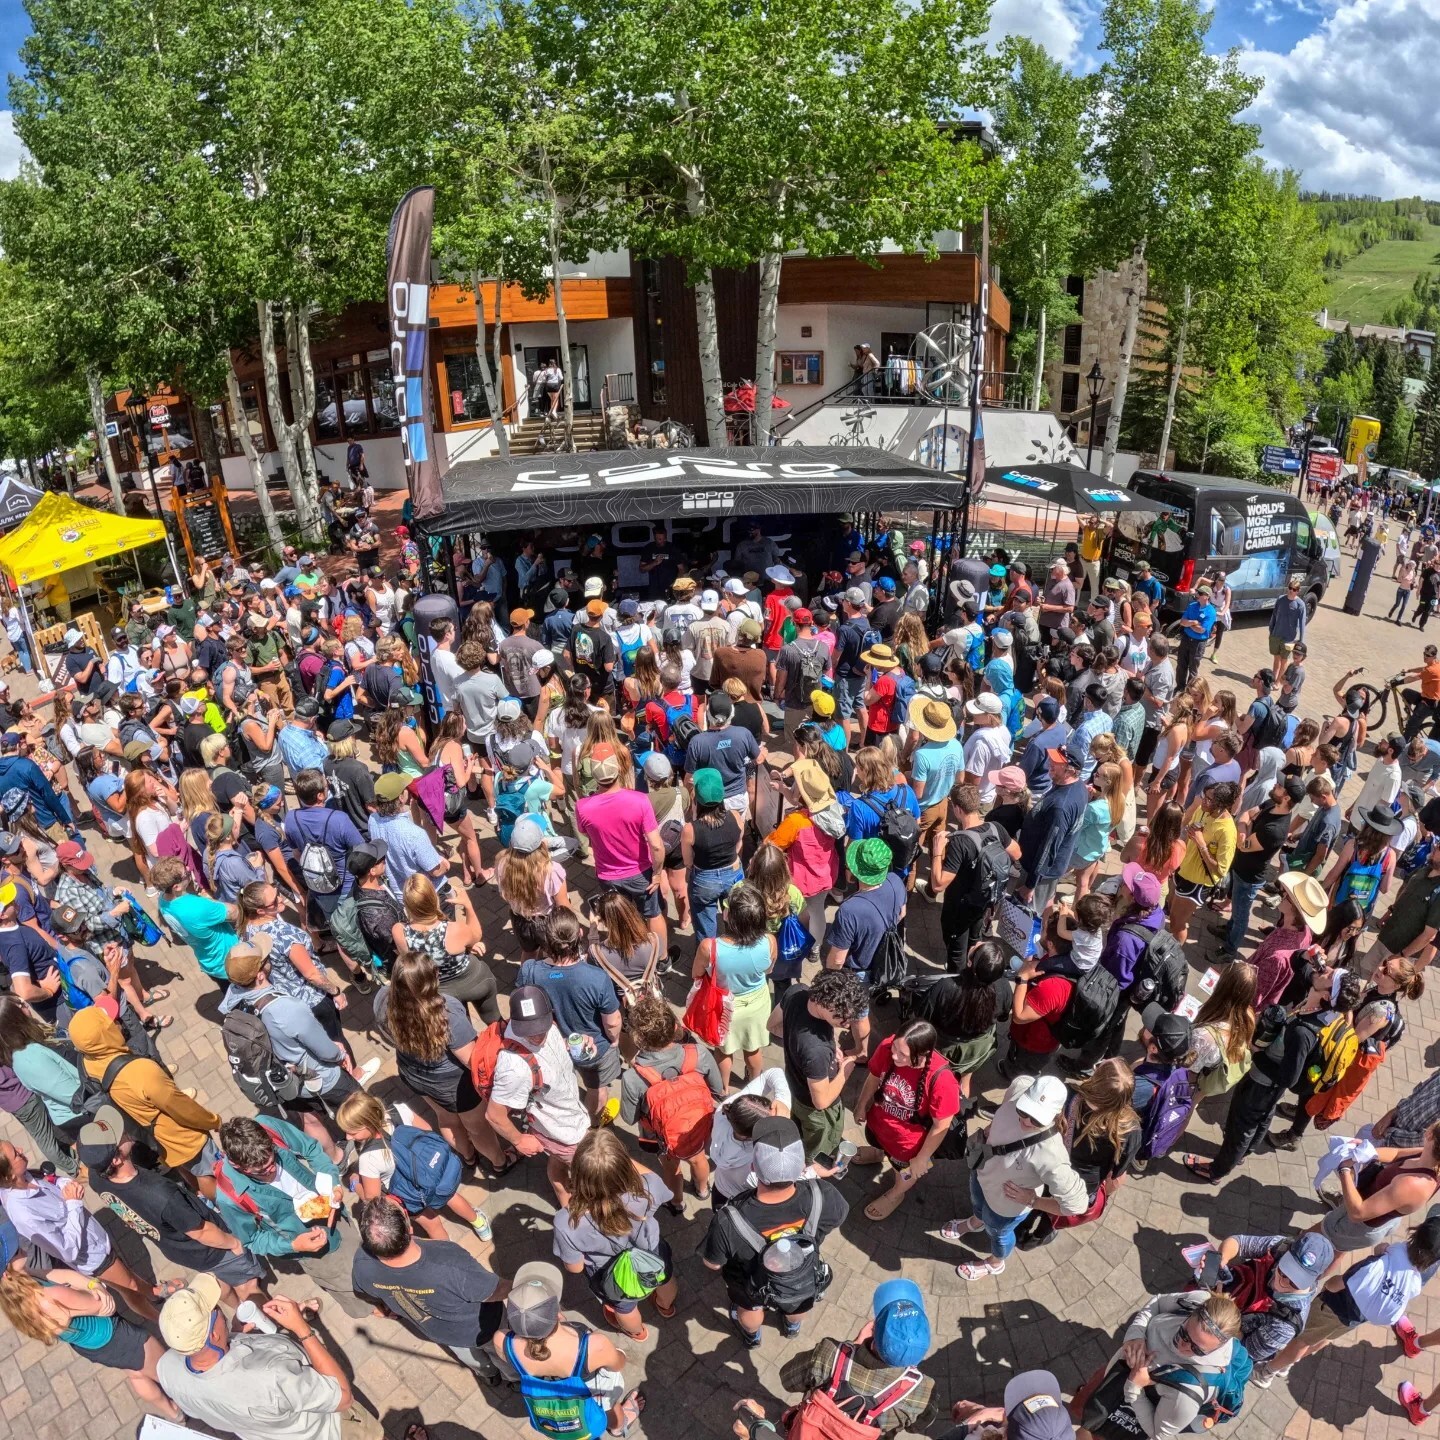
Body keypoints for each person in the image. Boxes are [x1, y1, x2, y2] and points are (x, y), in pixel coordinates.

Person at [75, 1105, 265, 1307]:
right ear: (115, 1159)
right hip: (210, 1248)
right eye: (117, 1135)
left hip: (178, 1250)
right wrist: (232, 1242)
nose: (122, 1129)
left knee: (221, 1284)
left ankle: (239, 1312)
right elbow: (200, 1231)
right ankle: (267, 1321)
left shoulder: (97, 1178)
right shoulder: (160, 1194)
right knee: (248, 1284)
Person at [0, 1213, 181, 1421]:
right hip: (115, 1336)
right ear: (7, 1273)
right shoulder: (49, 1295)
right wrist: (95, 1294)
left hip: (92, 1346)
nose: (22, 1248)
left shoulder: (20, 1296)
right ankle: (187, 1398)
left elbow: (61, 1276)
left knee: (136, 1373)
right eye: (15, 1252)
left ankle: (173, 1412)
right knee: (164, 1369)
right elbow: (103, 1307)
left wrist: (91, 1285)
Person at [157, 1276, 382, 1440]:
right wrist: (302, 1328)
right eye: (214, 1310)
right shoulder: (271, 1378)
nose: (218, 1308)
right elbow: (343, 1397)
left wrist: (232, 1336)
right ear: (213, 1335)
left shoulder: (166, 1368)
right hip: (332, 1429)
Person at [701, 1115, 849, 1348]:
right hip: (799, 1278)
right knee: (799, 1304)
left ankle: (752, 1336)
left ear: (753, 1167)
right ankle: (792, 1327)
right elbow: (838, 1216)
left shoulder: (728, 1220)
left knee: (749, 1309)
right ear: (802, 1166)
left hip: (749, 1282)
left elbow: (713, 1264)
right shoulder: (824, 1195)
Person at [211, 1115, 370, 1317]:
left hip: (334, 1213)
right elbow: (252, 1239)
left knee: (363, 1253)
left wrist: (332, 1183)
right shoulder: (229, 1197)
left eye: (272, 1160)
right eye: (261, 1171)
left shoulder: (269, 1126)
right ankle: (372, 1308)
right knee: (349, 1284)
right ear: (237, 1166)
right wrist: (294, 1246)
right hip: (314, 1251)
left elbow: (311, 1149)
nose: (272, 1170)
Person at [942, 1074, 1087, 1281]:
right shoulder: (1020, 1086)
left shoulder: (1052, 1154)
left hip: (1006, 1206)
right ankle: (976, 1221)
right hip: (982, 1173)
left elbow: (1077, 1205)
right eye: (1024, 1110)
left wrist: (1034, 1201)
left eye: (1037, 1119)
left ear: (1055, 1115)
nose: (1026, 1120)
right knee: (978, 1204)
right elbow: (1007, 1107)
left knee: (998, 1234)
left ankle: (995, 1263)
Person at [0, 1139, 159, 1321]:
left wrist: (66, 1185)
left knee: (130, 1280)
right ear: (8, 1175)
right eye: (15, 1154)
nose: (21, 1149)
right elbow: (67, 1251)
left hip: (95, 1237)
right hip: (92, 1255)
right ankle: (161, 1319)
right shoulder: (25, 1214)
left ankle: (154, 1292)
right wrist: (73, 1203)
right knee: (130, 1287)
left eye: (16, 1147)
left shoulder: (22, 1178)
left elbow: (53, 1184)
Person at [66, 1007, 221, 1186]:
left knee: (185, 1168)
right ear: (104, 1035)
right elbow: (183, 1108)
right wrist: (214, 1121)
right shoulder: (141, 1072)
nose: (117, 1023)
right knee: (212, 1173)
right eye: (111, 1024)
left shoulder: (87, 1061)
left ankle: (202, 1195)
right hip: (182, 1136)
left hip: (153, 1137)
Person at [491, 1259, 643, 1440]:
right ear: (556, 1311)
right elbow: (618, 1364)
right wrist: (619, 1352)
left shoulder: (501, 1340)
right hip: (591, 1389)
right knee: (609, 1402)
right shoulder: (593, 1345)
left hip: (553, 1404)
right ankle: (618, 1426)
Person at [552, 1128, 679, 1342]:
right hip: (652, 1252)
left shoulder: (566, 1222)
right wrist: (611, 1157)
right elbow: (659, 1185)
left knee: (624, 1307)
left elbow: (575, 1268)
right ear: (623, 1165)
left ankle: (637, 1332)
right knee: (664, 1279)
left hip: (609, 1273)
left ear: (579, 1176)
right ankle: (665, 1306)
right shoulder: (648, 1187)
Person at [775, 1278, 937, 1434]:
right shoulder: (923, 1392)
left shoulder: (829, 1354)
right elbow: (915, 1427)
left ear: (873, 1330)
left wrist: (851, 1346)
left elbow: (787, 1379)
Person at [1075, 1292, 1242, 1440]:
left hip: (1128, 1417)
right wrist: (1135, 1335)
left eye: (1197, 1349)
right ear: (1191, 1314)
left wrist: (1135, 1388)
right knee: (1081, 1407)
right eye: (1183, 1333)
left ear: (1217, 1349)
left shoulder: (1189, 1395)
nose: (1183, 1346)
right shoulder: (1199, 1301)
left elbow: (1157, 1433)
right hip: (1114, 1375)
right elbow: (1158, 1302)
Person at [485, 985, 591, 1207]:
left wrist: (575, 1044)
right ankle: (571, 1206)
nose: (536, 1035)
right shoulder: (513, 1067)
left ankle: (564, 1202)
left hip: (569, 1115)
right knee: (589, 1173)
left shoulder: (547, 1027)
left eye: (540, 1026)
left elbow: (549, 1051)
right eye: (528, 1029)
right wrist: (519, 1140)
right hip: (561, 1131)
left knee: (557, 1161)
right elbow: (494, 1115)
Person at [618, 992, 722, 1212]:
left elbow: (629, 1117)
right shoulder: (699, 1054)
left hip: (660, 1135)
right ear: (675, 1027)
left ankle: (676, 1202)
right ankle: (703, 1190)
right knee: (698, 1158)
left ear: (637, 1038)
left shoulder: (633, 1077)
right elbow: (717, 1088)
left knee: (670, 1167)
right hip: (698, 1124)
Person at [851, 1019, 961, 1222]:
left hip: (908, 1145)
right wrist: (861, 1104)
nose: (894, 1055)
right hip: (879, 1125)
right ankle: (879, 1153)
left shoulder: (942, 1080)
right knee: (879, 1144)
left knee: (904, 1173)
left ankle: (895, 1194)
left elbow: (941, 1125)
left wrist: (921, 1158)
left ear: (923, 1054)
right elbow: (874, 1076)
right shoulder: (890, 1046)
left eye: (902, 1055)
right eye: (894, 1048)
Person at [519, 910, 622, 1124]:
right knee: (597, 1088)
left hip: (552, 1046)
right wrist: (614, 1040)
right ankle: (592, 1123)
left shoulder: (530, 971)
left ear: (546, 940)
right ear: (580, 934)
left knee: (564, 1083)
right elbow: (612, 1022)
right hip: (595, 1050)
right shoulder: (596, 977)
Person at [770, 969, 869, 1161]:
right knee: (818, 1146)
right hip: (814, 1109)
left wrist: (799, 1045)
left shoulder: (797, 992)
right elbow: (821, 1102)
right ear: (827, 1004)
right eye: (843, 1017)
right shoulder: (816, 1050)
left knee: (798, 1126)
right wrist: (845, 1071)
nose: (848, 1025)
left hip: (794, 1086)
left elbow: (772, 1025)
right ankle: (810, 1168)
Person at [823, 838, 905, 1059]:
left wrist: (829, 978)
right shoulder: (896, 881)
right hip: (883, 960)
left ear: (857, 872)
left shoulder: (850, 910)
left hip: (860, 971)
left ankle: (862, 1053)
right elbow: (902, 914)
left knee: (860, 1013)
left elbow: (837, 960)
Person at [694, 881, 776, 1088]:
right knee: (754, 1049)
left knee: (723, 1051)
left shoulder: (709, 947)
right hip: (757, 1004)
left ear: (727, 916)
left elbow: (696, 974)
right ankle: (755, 1083)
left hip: (724, 1008)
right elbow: (769, 970)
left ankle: (722, 1088)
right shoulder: (769, 941)